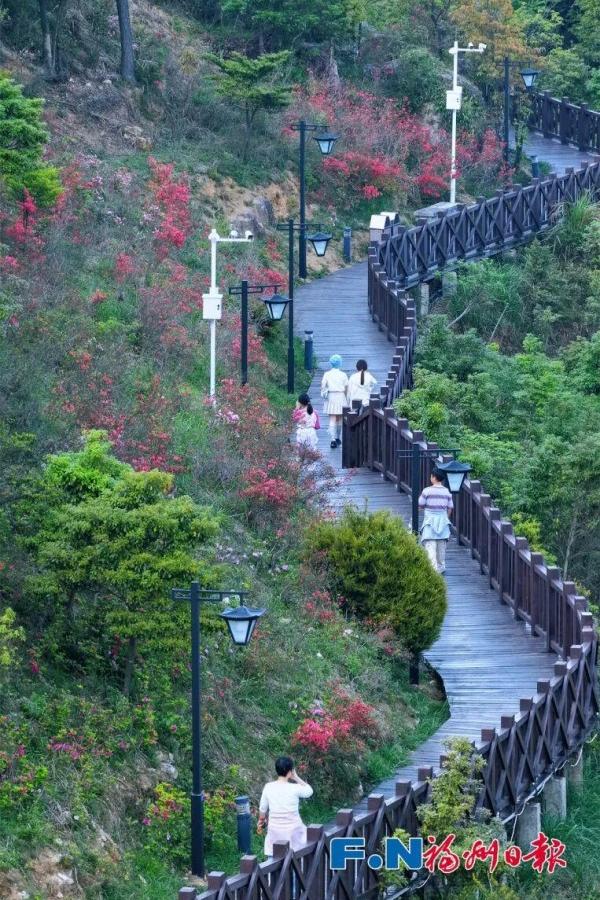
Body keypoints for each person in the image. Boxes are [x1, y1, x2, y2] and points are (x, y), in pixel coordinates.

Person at [257, 756, 313, 857]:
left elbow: (262, 809)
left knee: (273, 859)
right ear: (290, 771)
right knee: (295, 860)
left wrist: (261, 821)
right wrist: (296, 777)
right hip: (293, 831)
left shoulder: (268, 787)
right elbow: (309, 791)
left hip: (275, 831)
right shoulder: (295, 788)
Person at [418, 468, 454, 574]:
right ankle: (440, 569)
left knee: (430, 548)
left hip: (430, 522)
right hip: (443, 522)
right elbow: (450, 508)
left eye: (431, 476)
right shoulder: (447, 492)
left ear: (434, 477)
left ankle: (432, 573)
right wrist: (445, 517)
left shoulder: (427, 491)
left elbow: (420, 505)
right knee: (441, 549)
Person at [320, 354, 348, 449]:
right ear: (340, 363)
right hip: (341, 396)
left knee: (332, 418)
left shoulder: (327, 374)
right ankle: (337, 438)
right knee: (339, 418)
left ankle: (332, 440)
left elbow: (323, 386)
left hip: (331, 396)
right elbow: (346, 387)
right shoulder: (343, 374)